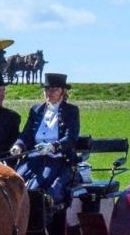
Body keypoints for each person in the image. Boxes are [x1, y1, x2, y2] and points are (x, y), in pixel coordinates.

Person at [14, 72, 81, 203]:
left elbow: (70, 138)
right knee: (15, 181)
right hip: (33, 158)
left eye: (54, 89)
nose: (49, 93)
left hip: (57, 160)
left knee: (37, 186)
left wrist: (52, 147)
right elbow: (26, 134)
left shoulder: (71, 111)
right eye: (47, 89)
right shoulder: (36, 109)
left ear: (63, 91)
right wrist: (18, 146)